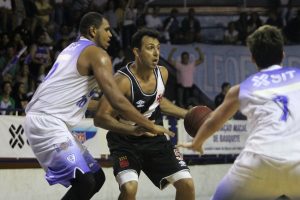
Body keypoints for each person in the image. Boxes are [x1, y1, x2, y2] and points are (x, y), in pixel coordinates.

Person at [24, 12, 173, 200]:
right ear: (93, 30)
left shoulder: (72, 49)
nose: (111, 34)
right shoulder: (98, 54)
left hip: (48, 118)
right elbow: (116, 99)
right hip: (47, 121)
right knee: (85, 181)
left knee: (96, 177)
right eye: (107, 30)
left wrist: (129, 122)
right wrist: (149, 124)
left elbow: (91, 102)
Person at [177, 25, 300, 199]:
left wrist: (197, 142)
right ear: (282, 55)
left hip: (258, 162)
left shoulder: (242, 88)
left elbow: (213, 121)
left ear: (252, 58)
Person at [94, 28, 195, 200]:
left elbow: (158, 101)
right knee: (129, 188)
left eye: (158, 47)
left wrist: (188, 114)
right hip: (125, 142)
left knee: (187, 184)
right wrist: (133, 130)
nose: (156, 53)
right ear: (136, 52)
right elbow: (101, 118)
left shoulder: (163, 73)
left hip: (155, 140)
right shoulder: (122, 81)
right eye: (150, 47)